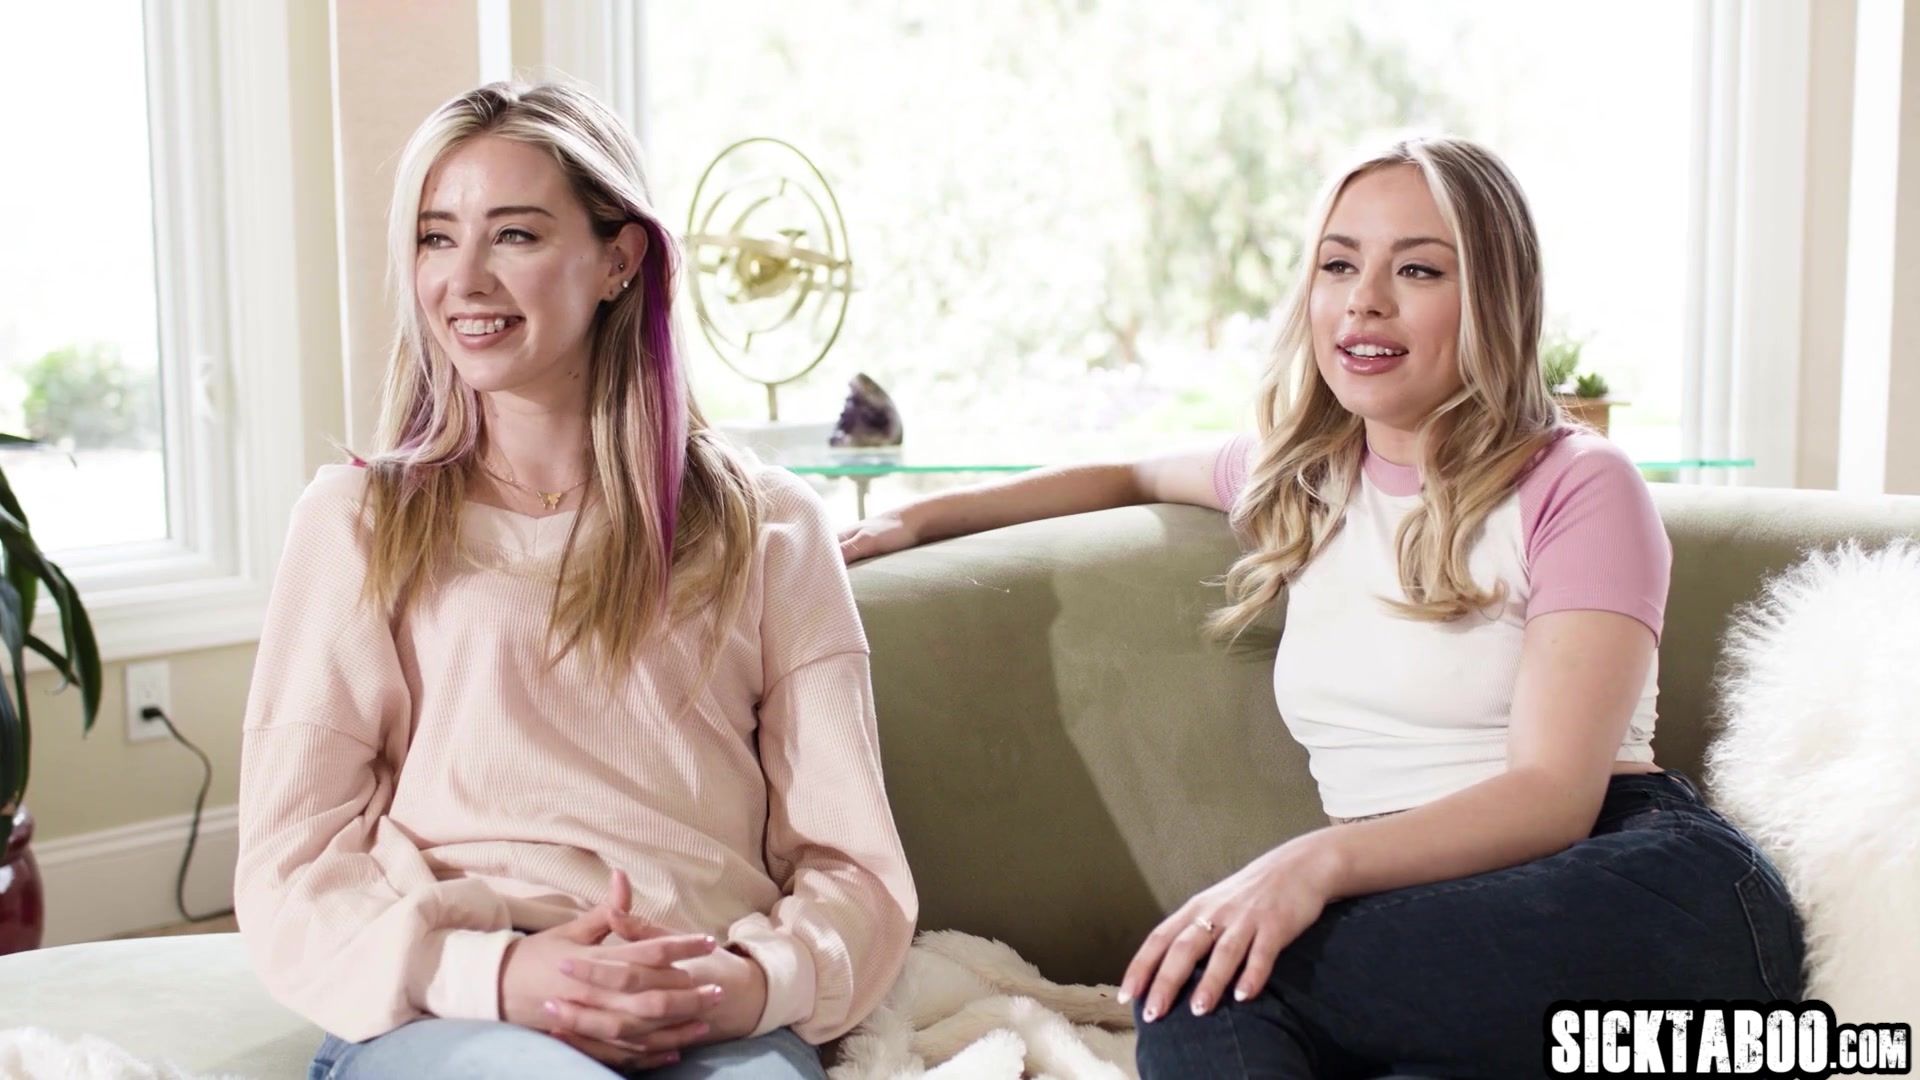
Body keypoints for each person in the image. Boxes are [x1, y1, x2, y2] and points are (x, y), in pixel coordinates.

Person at [838, 136, 1803, 1078]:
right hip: (1431, 924)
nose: (1364, 299)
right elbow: (1129, 471)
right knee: (1206, 1003)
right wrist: (922, 517)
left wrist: (1313, 864)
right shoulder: (1305, 478)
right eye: (1339, 264)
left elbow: (1554, 795)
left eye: (1418, 269)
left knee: (1215, 990)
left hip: (1642, 889)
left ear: (1495, 298)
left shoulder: (1577, 484)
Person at [235, 82, 916, 1080]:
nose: (464, 279)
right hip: (459, 1003)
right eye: (435, 238)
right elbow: (290, 865)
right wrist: (504, 974)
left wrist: (746, 984)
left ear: (619, 260)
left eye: (514, 235)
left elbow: (854, 867)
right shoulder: (357, 524)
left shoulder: (770, 526)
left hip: (709, 1002)